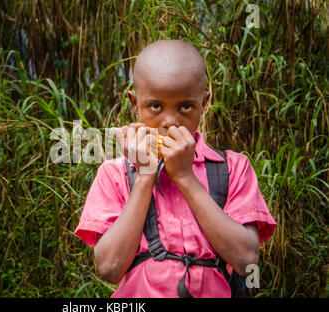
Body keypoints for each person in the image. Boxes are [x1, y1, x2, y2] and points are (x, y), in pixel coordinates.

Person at [74, 39, 276, 298]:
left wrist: (184, 176)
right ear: (135, 104)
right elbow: (110, 268)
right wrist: (145, 173)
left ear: (204, 103)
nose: (169, 122)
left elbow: (247, 261)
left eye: (185, 106)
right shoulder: (114, 175)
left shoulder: (233, 168)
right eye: (155, 106)